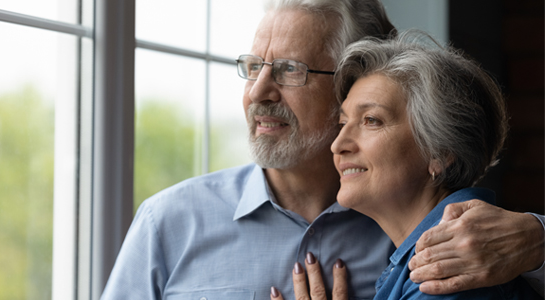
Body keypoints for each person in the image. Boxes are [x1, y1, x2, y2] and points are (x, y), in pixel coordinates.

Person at [101, 1, 545, 299]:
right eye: (253, 66)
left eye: (290, 70)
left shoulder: (455, 244)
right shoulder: (169, 221)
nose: (258, 91)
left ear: (348, 85)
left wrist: (538, 236)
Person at [273, 31, 541, 300]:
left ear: (440, 151)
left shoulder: (447, 270)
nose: (338, 144)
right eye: (343, 124)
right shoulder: (421, 261)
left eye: (371, 120)